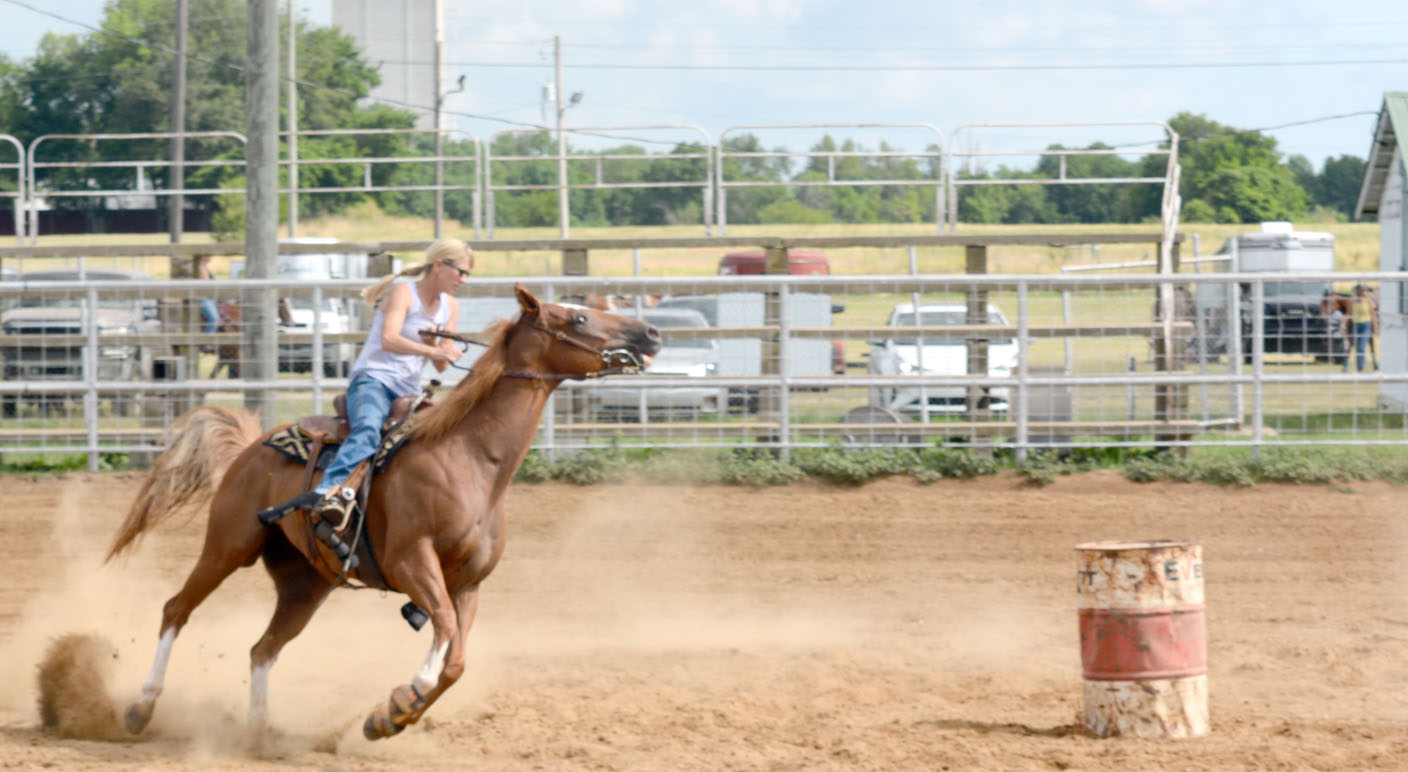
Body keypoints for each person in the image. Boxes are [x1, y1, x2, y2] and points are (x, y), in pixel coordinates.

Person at [264, 238, 471, 528]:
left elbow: (440, 363)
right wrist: (433, 349)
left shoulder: (450, 306)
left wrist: (439, 347)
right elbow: (389, 339)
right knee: (369, 429)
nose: (463, 279)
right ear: (439, 265)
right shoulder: (403, 294)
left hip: (409, 390)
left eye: (466, 274)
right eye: (461, 271)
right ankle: (328, 490)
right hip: (373, 379)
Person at [1350, 283, 1378, 372]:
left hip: (1366, 325)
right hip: (1355, 325)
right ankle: (1359, 366)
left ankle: (1360, 368)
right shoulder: (1352, 301)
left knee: (1362, 347)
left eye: (1361, 290)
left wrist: (1375, 325)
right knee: (1357, 347)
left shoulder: (1368, 301)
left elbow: (1373, 312)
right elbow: (1348, 313)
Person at [196, 254, 219, 335]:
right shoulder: (200, 268)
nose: (210, 256)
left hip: (209, 298)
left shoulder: (204, 267)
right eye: (207, 254)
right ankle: (207, 340)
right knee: (214, 319)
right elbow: (205, 284)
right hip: (204, 298)